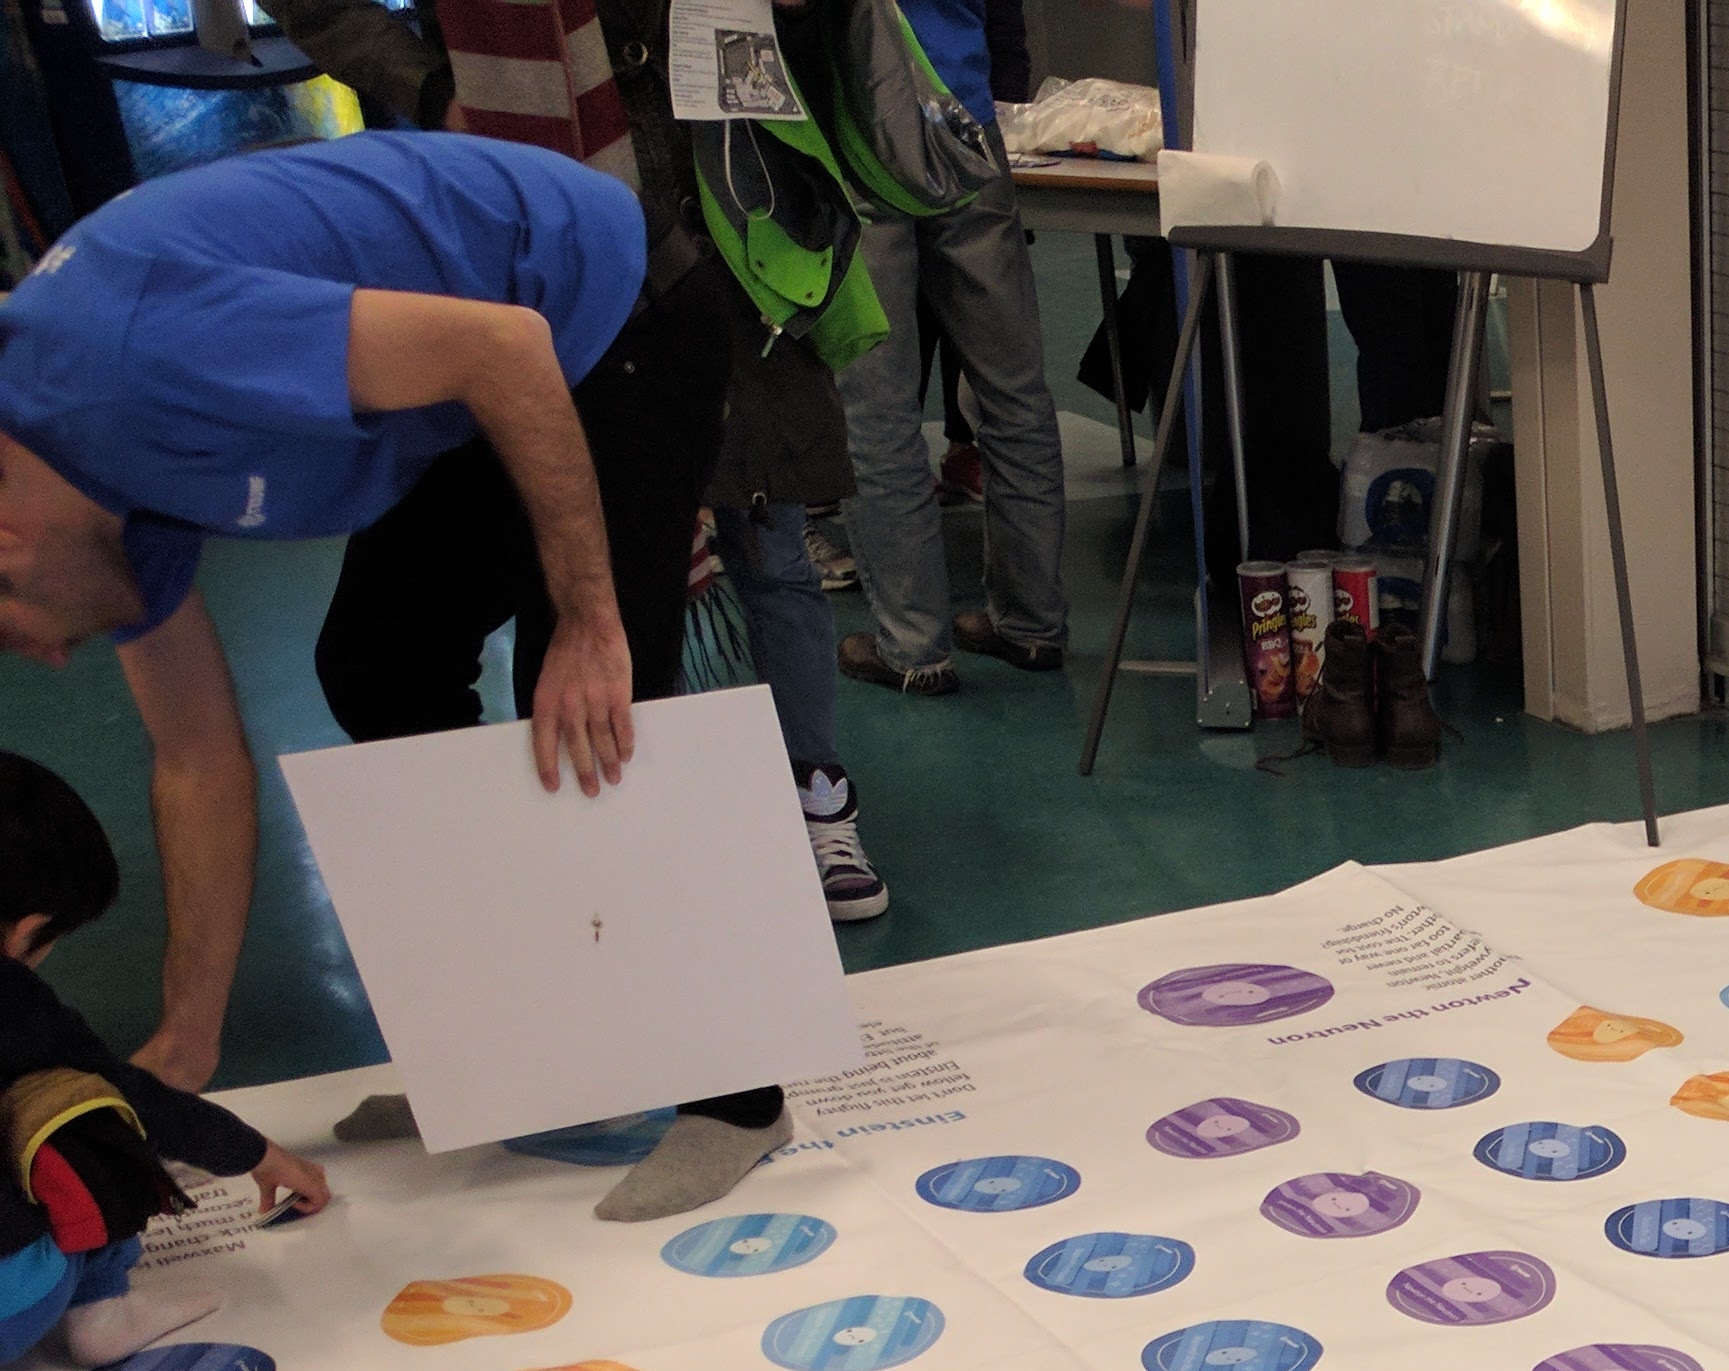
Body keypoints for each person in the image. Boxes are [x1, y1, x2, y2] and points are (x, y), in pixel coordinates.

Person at [0, 134, 808, 1218]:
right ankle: (511, 1055)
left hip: (601, 315)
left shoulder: (133, 357)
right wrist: (187, 1043)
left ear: (6, 545)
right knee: (377, 665)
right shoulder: (89, 507)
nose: (49, 657)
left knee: (591, 705)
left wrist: (589, 614)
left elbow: (505, 346)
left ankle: (740, 1097)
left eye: (18, 634)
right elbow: (197, 761)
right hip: (471, 377)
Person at [266, 0, 896, 927]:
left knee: (765, 539)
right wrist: (433, 82)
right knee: (430, 644)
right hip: (517, 240)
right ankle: (547, 882)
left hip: (722, 218)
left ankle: (804, 798)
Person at [0, 753, 330, 1367]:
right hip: (12, 1307)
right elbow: (140, 1102)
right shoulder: (14, 999)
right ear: (28, 928)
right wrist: (261, 1154)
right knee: (87, 1107)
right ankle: (103, 1310)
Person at [834, 0, 1070, 692]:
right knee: (1014, 389)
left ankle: (913, 646)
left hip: (856, 128)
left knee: (877, 410)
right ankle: (1033, 624)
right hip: (965, 120)